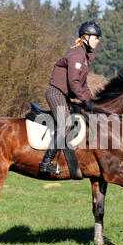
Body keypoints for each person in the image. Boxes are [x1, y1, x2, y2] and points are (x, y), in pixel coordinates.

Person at [39, 21, 101, 174]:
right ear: (85, 37)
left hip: (64, 95)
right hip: (56, 93)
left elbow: (83, 84)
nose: (98, 41)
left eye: (98, 38)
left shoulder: (85, 57)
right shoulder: (76, 54)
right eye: (95, 37)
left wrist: (91, 101)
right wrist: (85, 100)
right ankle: (46, 162)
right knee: (66, 124)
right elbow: (73, 83)